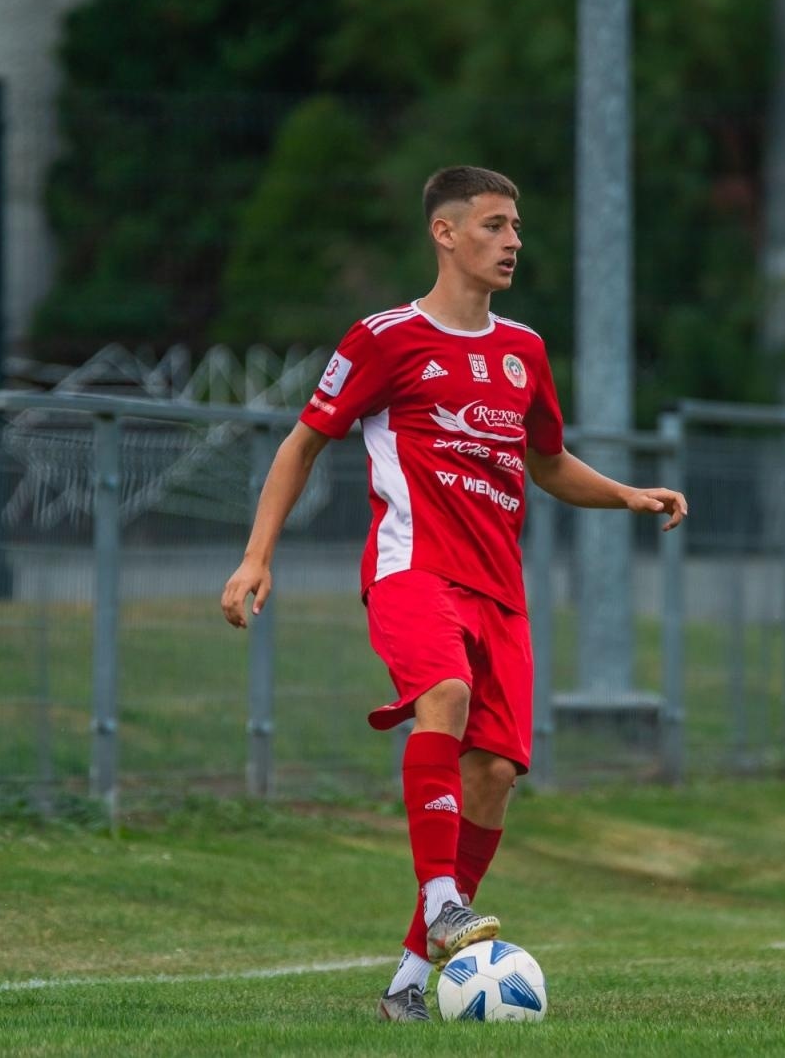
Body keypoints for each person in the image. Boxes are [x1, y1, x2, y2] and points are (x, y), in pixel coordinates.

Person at [220, 166, 687, 1022]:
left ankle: (406, 982)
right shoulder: (383, 338)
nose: (513, 241)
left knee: (496, 774)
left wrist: (624, 493)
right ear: (445, 233)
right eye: (495, 225)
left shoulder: (525, 352)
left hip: (499, 592)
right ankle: (442, 899)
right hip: (411, 569)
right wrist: (257, 557)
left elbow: (546, 462)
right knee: (444, 692)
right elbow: (302, 444)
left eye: (516, 226)